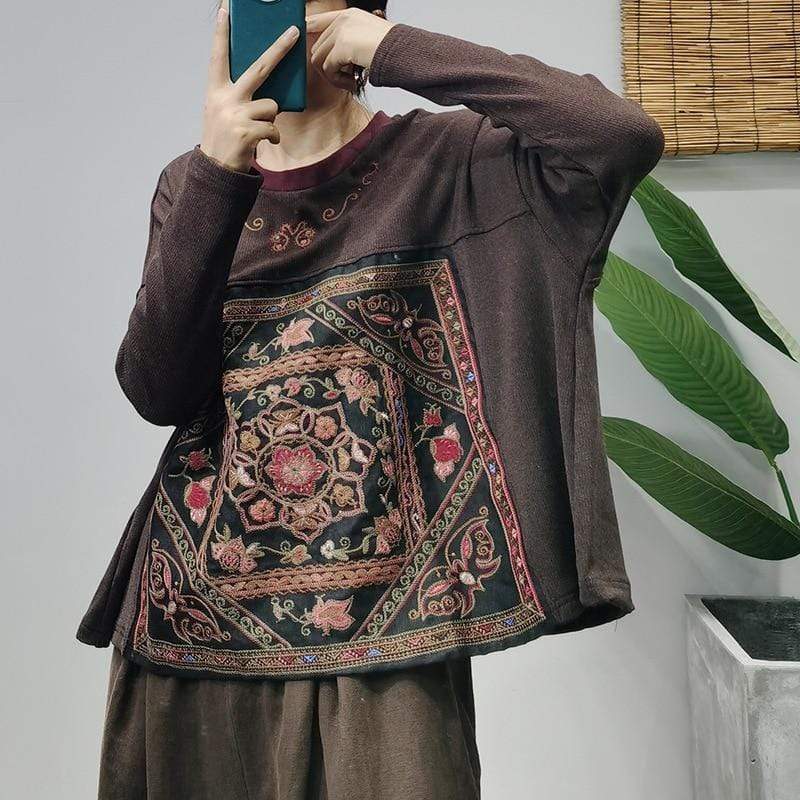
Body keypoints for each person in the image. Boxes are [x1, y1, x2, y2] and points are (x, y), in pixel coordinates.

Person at [83, 1, 665, 798]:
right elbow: (157, 390)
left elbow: (619, 136)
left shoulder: (452, 163)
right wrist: (220, 172)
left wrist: (395, 50)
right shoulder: (193, 183)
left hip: (396, 627)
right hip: (195, 622)